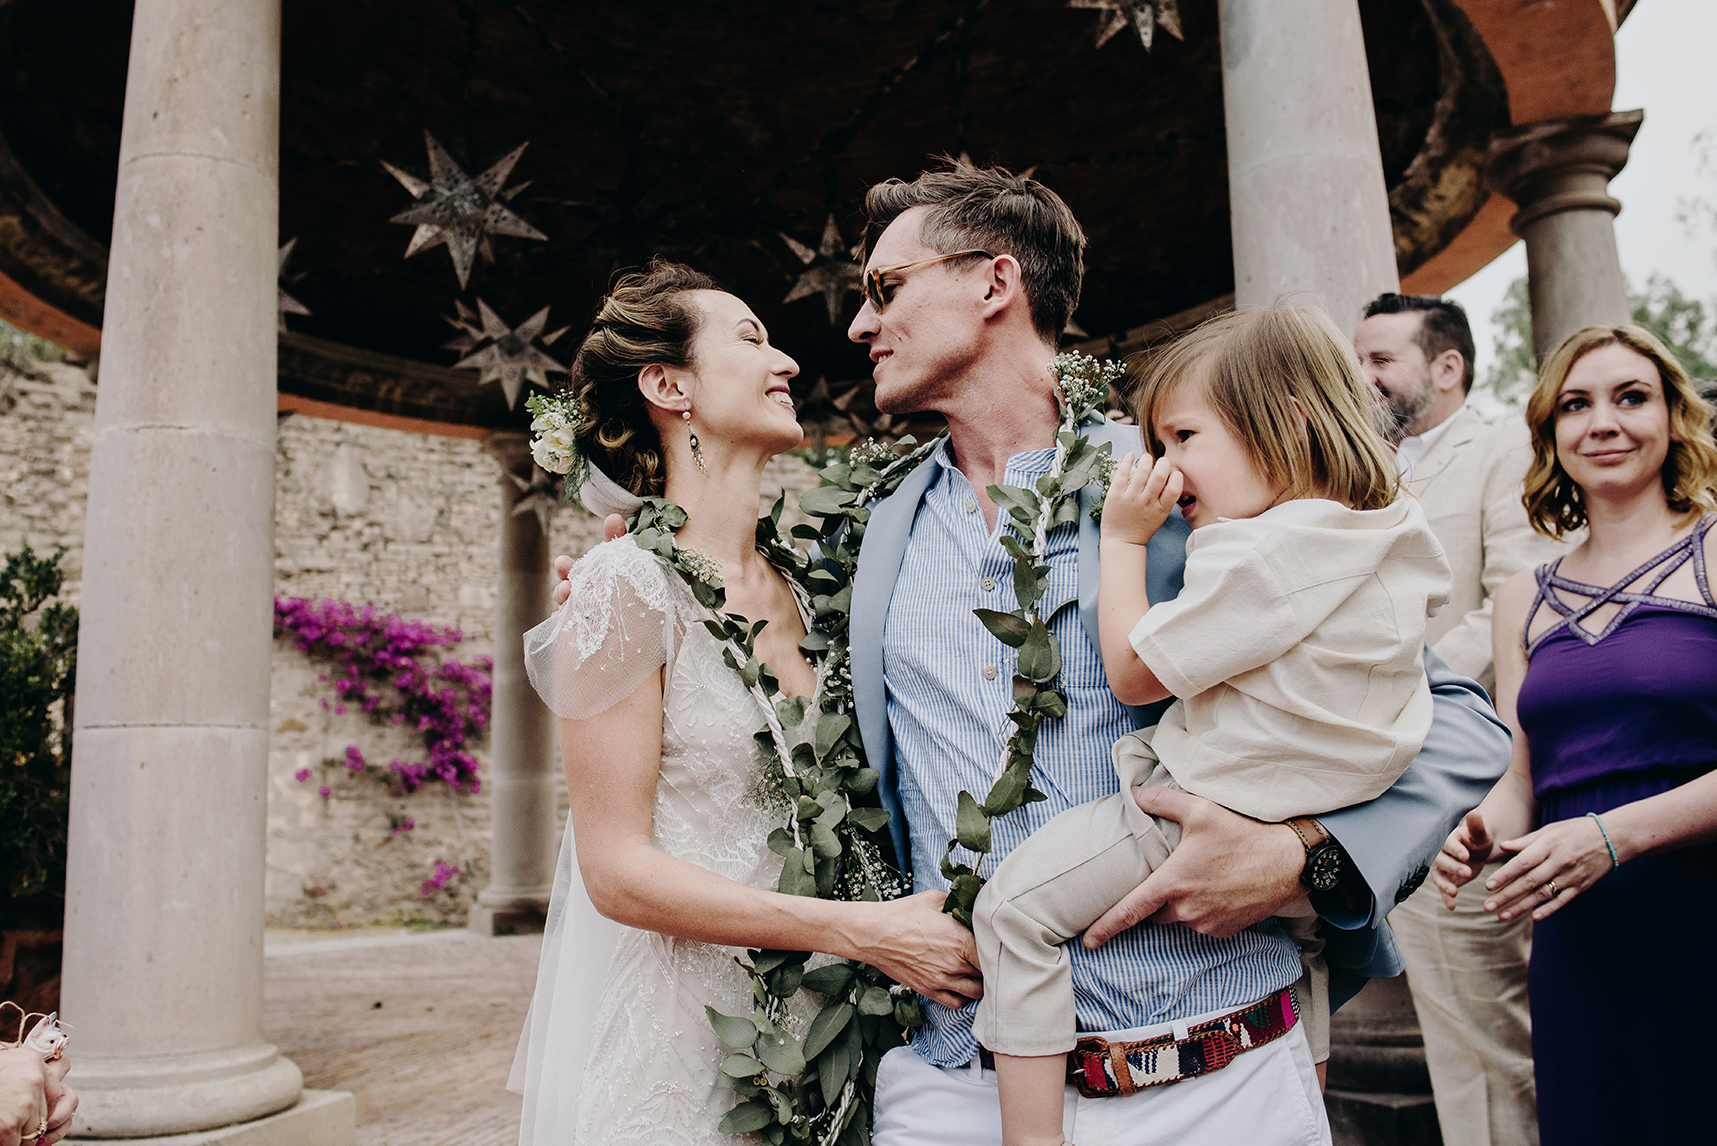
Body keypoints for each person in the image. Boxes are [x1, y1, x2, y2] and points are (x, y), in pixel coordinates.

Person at [550, 166, 1510, 1146]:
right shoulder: (858, 543)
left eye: (885, 290)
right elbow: (729, 629)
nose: (854, 327)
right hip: (954, 1090)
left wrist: (1306, 855)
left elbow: (1454, 717)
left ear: (992, 285)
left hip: (1213, 1072)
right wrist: (632, 578)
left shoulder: (1178, 483)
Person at [511, 261, 979, 1146]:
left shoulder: (817, 592)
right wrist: (862, 932)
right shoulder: (622, 584)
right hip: (693, 1054)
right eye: (752, 338)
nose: (789, 363)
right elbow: (614, 872)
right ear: (667, 385)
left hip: (839, 1047)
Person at [972, 306, 1451, 1146]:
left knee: (1011, 910)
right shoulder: (1388, 527)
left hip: (1210, 808)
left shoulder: (1251, 552)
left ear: (1287, 425)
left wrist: (1122, 542)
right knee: (1300, 954)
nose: (1164, 466)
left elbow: (1131, 670)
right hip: (1313, 820)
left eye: (1183, 436)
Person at [1433, 324, 1717, 1146]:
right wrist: (1481, 829)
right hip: (1579, 940)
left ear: (1672, 416)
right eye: (1575, 404)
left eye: (1631, 397)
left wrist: (1610, 835)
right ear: (1549, 434)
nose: (1603, 422)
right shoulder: (1523, 596)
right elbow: (1525, 778)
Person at [1354, 292, 1563, 1146]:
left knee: (1498, 1043)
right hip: (1373, 792)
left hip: (1467, 790)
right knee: (1454, 1041)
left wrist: (1389, 687)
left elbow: (1522, 601)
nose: (1360, 376)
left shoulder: (1505, 448)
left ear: (1446, 369)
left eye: (1379, 359)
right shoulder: (1362, 465)